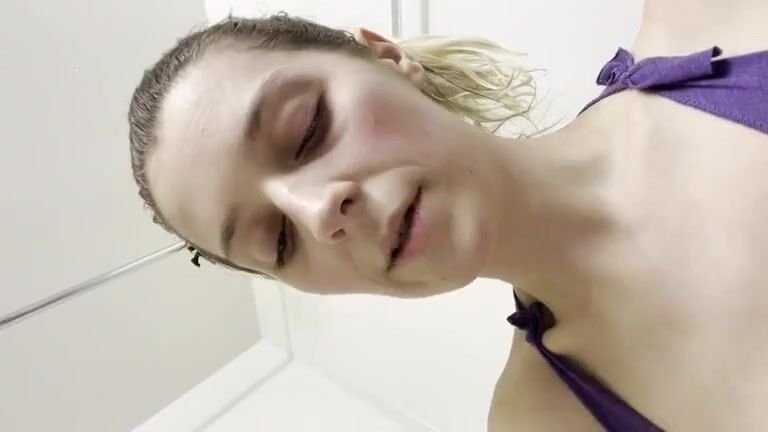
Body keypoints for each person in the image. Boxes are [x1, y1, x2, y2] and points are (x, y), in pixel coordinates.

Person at [127, 1, 768, 430]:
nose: (319, 212)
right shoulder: (543, 420)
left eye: (307, 128)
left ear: (388, 59)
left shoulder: (711, 16)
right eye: (278, 241)